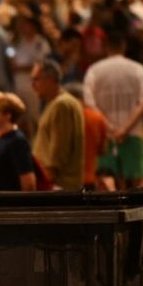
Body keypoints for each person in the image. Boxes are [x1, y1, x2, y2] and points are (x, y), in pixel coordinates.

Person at [83, 32, 143, 188]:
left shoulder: (94, 70)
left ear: (106, 47)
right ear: (124, 47)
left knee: (106, 181)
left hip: (105, 135)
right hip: (133, 133)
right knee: (138, 182)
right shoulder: (138, 69)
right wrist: (125, 128)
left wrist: (111, 127)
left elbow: (89, 103)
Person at [31, 59, 85, 190]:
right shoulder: (59, 103)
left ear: (51, 79)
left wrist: (47, 177)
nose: (33, 85)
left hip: (59, 185)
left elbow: (59, 149)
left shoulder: (61, 105)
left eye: (36, 79)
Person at [63, 83, 110, 191]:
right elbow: (103, 150)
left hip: (66, 182)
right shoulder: (97, 117)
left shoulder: (62, 118)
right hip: (90, 180)